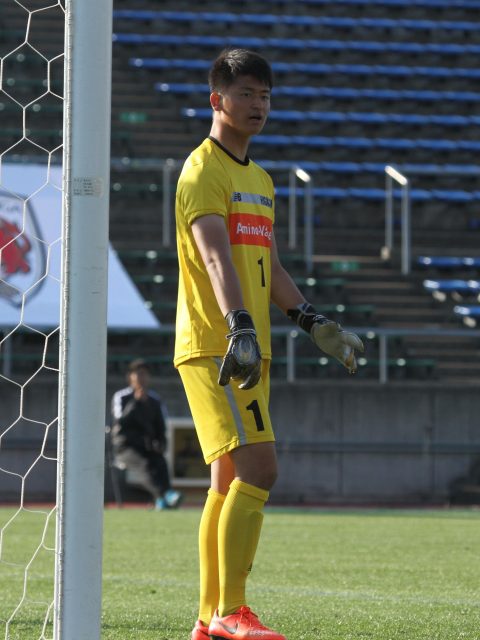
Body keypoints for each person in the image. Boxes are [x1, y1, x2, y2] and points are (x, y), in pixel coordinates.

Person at [174, 48, 364, 640]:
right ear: (217, 100)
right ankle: (232, 611)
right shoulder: (202, 171)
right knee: (261, 468)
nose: (258, 104)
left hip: (246, 344)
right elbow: (214, 258)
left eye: (265, 95)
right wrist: (239, 327)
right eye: (246, 94)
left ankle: (208, 618)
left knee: (226, 479)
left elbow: (270, 266)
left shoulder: (259, 179)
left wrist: (310, 320)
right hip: (219, 345)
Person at [110, 358, 183, 510]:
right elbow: (120, 422)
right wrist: (135, 403)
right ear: (130, 377)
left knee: (160, 462)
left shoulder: (155, 400)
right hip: (125, 447)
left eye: (144, 374)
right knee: (145, 464)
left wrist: (161, 444)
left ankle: (163, 499)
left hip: (146, 446)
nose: (141, 378)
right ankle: (166, 496)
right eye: (138, 374)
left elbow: (160, 426)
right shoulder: (121, 397)